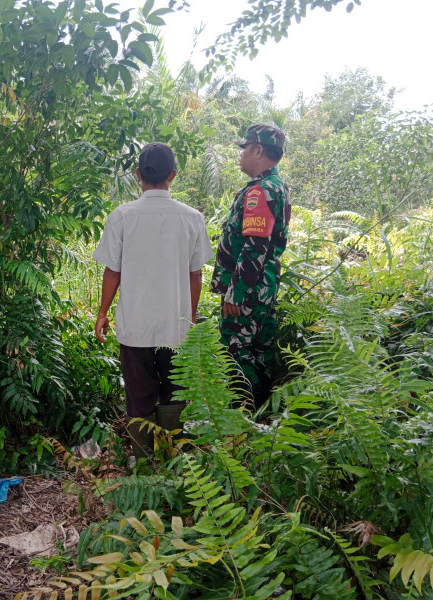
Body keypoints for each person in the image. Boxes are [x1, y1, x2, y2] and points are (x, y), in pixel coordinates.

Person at [93, 142, 214, 458]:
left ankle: (143, 462)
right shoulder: (192, 218)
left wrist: (103, 312)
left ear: (138, 175)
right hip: (176, 327)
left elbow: (112, 273)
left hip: (135, 327)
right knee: (174, 394)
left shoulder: (122, 216)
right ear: (173, 175)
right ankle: (173, 462)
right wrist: (190, 318)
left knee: (139, 395)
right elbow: (195, 275)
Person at [210, 124, 291, 408]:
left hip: (248, 291)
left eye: (244, 148)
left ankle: (240, 417)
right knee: (259, 351)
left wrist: (235, 293)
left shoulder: (260, 191)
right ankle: (261, 416)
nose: (241, 154)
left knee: (236, 352)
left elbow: (254, 247)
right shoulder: (277, 186)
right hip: (263, 287)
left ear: (258, 150)